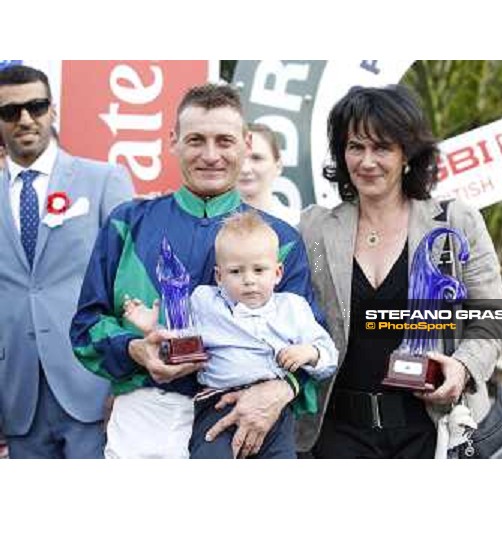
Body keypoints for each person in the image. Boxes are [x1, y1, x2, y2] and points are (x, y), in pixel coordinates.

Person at [71, 83, 324, 459]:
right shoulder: (127, 224)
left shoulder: (280, 238)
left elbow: (310, 338)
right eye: (195, 140)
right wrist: (137, 350)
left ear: (245, 141)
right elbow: (86, 328)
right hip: (146, 418)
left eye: (224, 140)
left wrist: (282, 389)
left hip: (245, 417)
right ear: (173, 141)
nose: (210, 155)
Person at [297, 84, 502, 459]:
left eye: (382, 148)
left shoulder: (455, 222)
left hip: (432, 431)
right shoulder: (314, 230)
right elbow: (292, 315)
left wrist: (462, 368)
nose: (366, 161)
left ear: (407, 154)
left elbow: (491, 318)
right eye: (355, 146)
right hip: (337, 437)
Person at [123, 211, 337, 458]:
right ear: (219, 276)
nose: (248, 280)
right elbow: (184, 343)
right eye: (236, 272)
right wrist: (153, 329)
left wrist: (309, 352)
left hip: (275, 411)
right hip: (217, 403)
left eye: (259, 270)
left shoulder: (293, 307)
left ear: (277, 273)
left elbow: (329, 354)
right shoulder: (206, 302)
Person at [0, 64, 134, 458]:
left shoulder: (104, 179)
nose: (25, 119)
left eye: (36, 106)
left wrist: (123, 382)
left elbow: (128, 282)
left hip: (92, 385)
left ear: (53, 110)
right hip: (16, 395)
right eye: (10, 112)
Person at [237, 123, 300, 225]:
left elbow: (317, 242)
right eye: (239, 158)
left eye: (256, 158)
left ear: (278, 166)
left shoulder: (301, 226)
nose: (245, 169)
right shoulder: (208, 227)